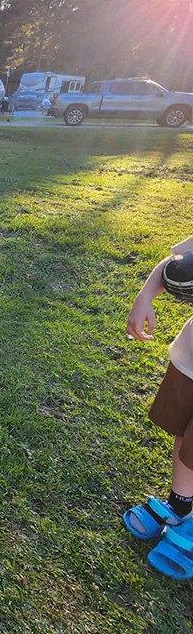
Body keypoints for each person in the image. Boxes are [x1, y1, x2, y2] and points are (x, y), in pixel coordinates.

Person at [124, 235, 193, 579]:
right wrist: (144, 297)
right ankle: (181, 506)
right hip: (190, 361)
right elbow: (176, 264)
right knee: (184, 434)